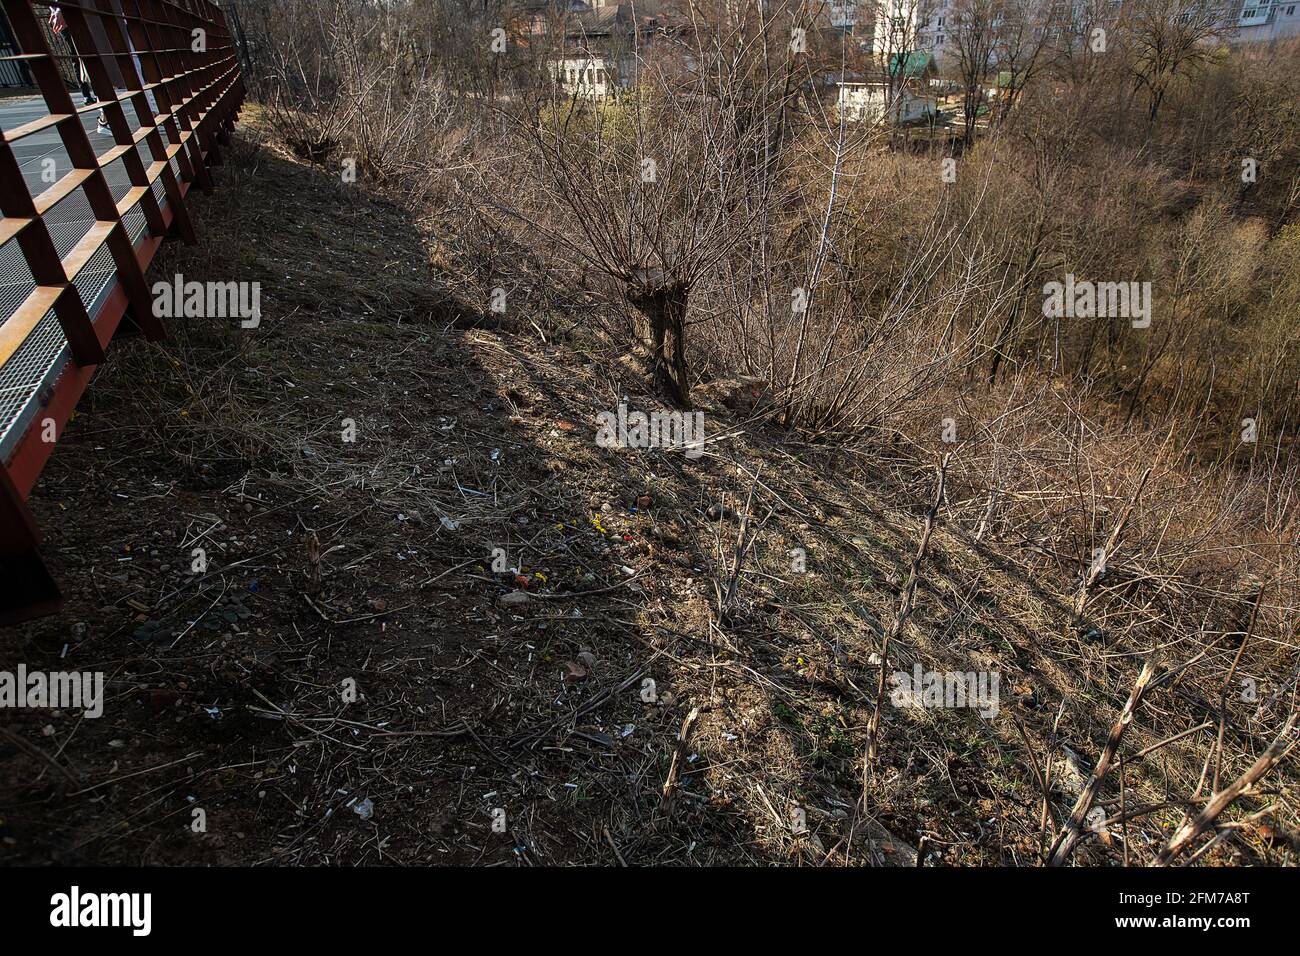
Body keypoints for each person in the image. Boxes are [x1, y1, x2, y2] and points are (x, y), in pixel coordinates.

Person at [47, 5, 112, 135]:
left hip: (83, 14)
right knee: (89, 62)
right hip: (76, 16)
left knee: (89, 62)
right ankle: (100, 113)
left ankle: (100, 113)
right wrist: (58, 9)